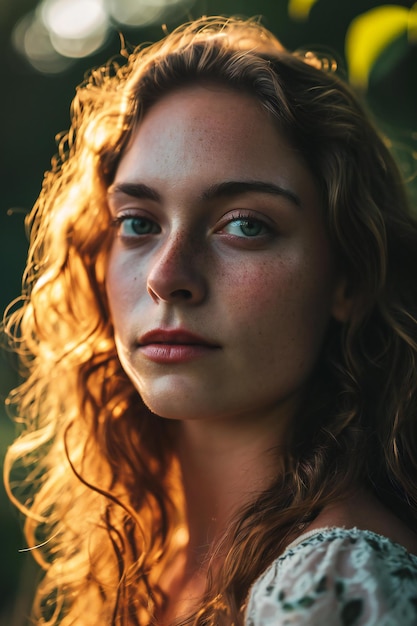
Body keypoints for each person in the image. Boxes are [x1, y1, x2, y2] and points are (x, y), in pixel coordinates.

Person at [3, 15, 417, 626]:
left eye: (245, 224)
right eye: (139, 223)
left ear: (349, 279)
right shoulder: (147, 561)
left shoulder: (335, 583)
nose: (167, 276)